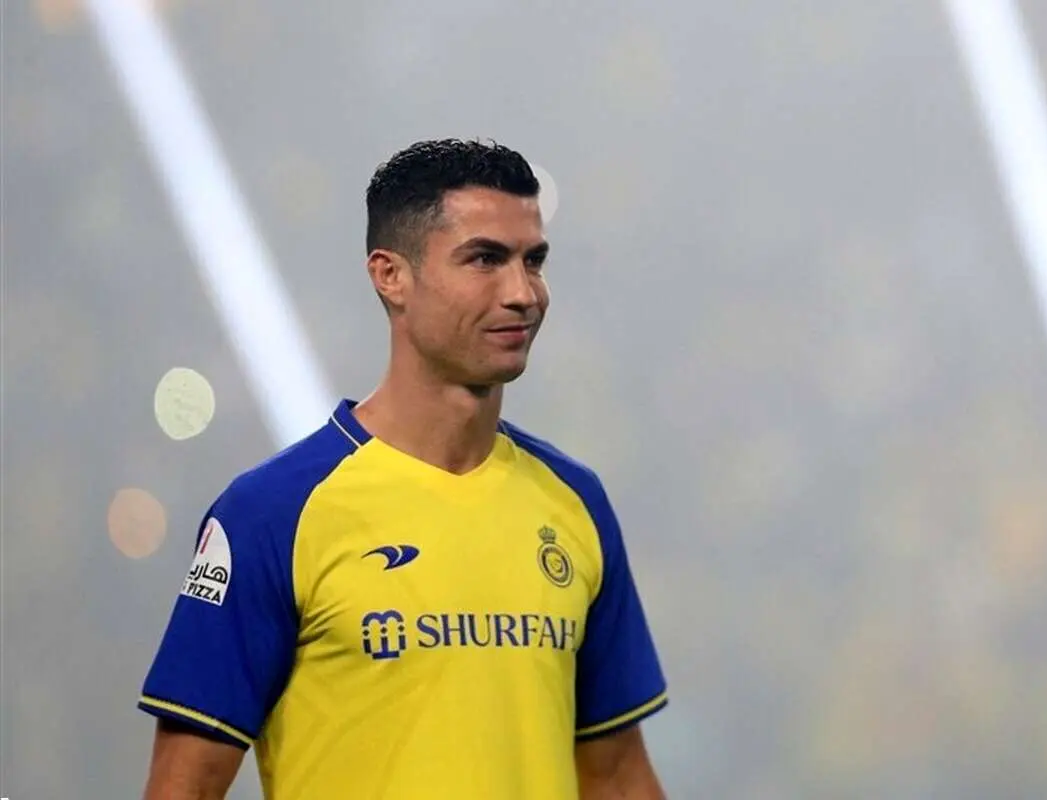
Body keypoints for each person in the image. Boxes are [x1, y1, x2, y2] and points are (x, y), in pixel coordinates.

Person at [137, 139, 670, 799]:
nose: (523, 293)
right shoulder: (271, 514)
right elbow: (183, 789)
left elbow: (617, 776)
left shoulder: (574, 502)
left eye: (533, 261)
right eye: (485, 259)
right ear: (390, 275)